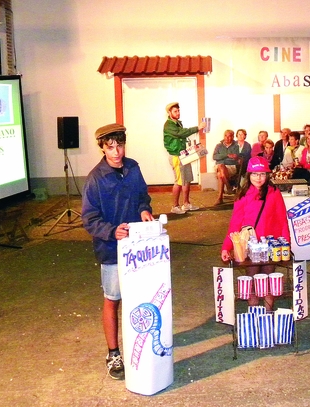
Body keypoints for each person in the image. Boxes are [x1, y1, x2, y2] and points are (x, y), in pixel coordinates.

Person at [81, 123, 154, 381]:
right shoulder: (95, 179)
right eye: (110, 147)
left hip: (138, 247)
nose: (116, 152)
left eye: (120, 145)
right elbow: (89, 219)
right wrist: (112, 231)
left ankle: (141, 341)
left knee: (140, 296)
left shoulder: (133, 168)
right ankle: (113, 353)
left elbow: (143, 196)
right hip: (111, 250)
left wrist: (144, 209)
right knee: (113, 299)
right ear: (102, 147)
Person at [221, 156, 289, 311]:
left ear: (267, 175)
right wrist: (226, 247)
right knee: (252, 279)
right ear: (249, 175)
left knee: (269, 279)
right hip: (250, 246)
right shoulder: (243, 195)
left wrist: (286, 244)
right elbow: (235, 224)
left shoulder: (274, 193)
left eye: (262, 174)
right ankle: (254, 314)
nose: (259, 178)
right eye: (255, 174)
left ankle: (268, 313)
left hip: (271, 245)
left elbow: (282, 220)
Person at [163, 102, 206, 214]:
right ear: (169, 113)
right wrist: (198, 128)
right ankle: (175, 206)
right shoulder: (169, 125)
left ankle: (186, 204)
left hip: (183, 155)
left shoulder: (177, 123)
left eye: (178, 110)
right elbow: (181, 134)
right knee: (179, 181)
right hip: (176, 156)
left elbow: (182, 135)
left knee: (186, 180)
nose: (178, 113)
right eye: (175, 111)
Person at [214, 130, 241, 205]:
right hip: (219, 166)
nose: (227, 138)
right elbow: (215, 156)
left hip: (231, 166)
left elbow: (236, 157)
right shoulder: (218, 146)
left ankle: (220, 198)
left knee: (220, 174)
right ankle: (229, 187)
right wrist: (227, 155)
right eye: (225, 135)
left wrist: (222, 157)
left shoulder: (236, 146)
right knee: (221, 167)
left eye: (229, 136)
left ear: (232, 137)